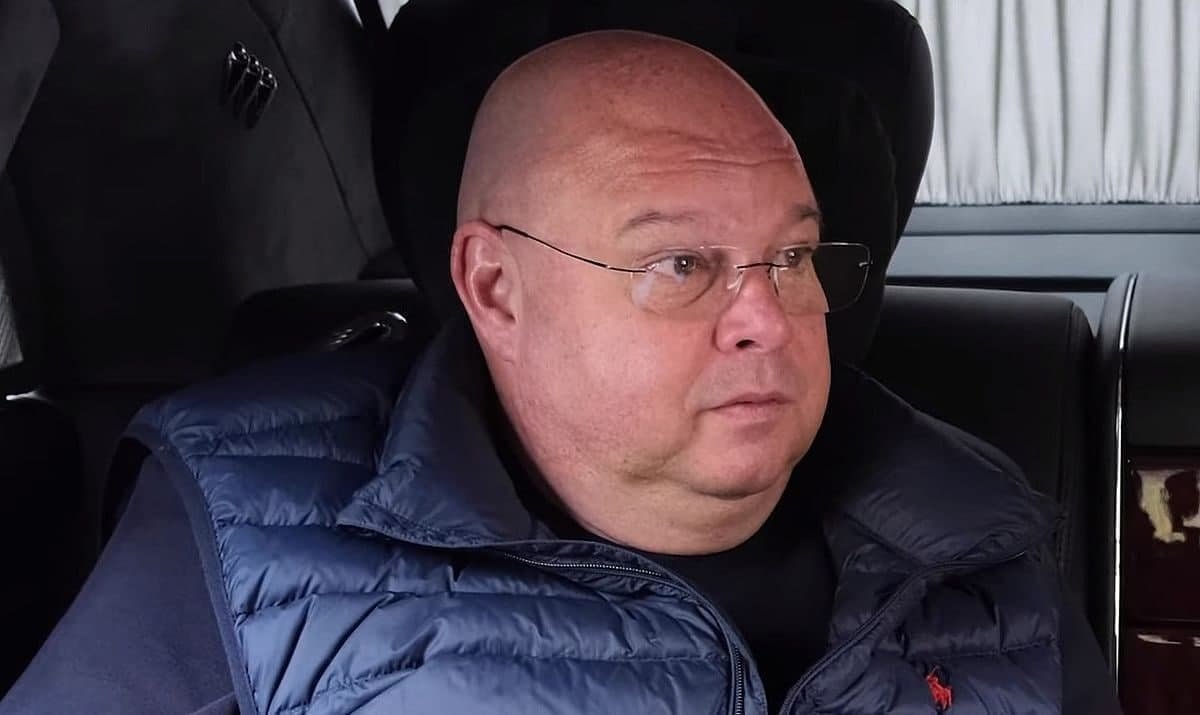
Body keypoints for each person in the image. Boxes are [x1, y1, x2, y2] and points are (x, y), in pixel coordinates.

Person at [1, 30, 1121, 714]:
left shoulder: (983, 538)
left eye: (793, 257)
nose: (766, 319)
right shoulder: (239, 527)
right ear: (496, 288)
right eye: (681, 264)